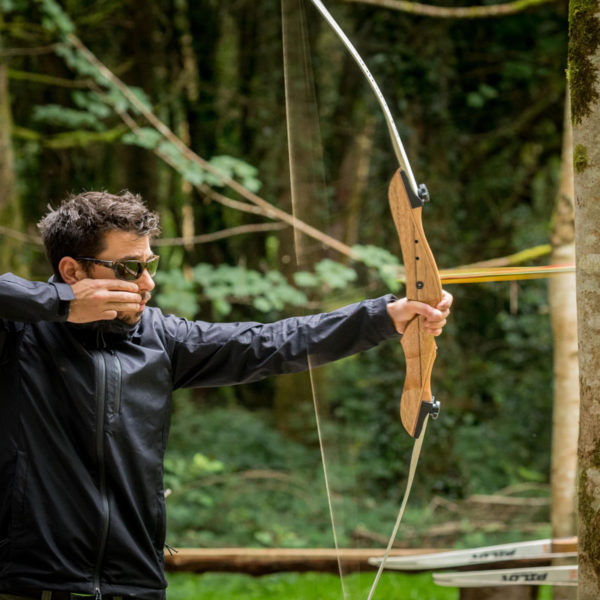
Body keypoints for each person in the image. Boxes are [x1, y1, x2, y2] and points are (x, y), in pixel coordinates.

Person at [0, 191, 452, 600]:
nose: (147, 284)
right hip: (30, 585)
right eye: (129, 268)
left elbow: (270, 343)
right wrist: (59, 304)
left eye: (150, 265)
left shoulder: (161, 339)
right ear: (71, 271)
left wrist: (383, 317)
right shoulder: (19, 336)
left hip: (132, 586)